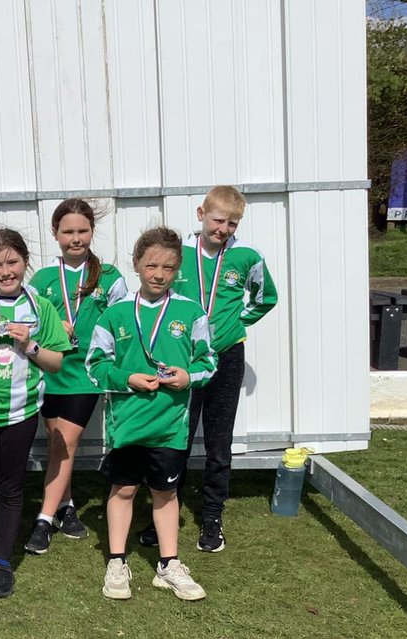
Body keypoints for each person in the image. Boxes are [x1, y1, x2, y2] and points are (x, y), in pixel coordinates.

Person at [137, 185, 279, 552]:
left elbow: (267, 298)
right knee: (175, 440)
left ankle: (212, 517)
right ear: (201, 214)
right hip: (182, 360)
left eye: (232, 223)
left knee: (219, 443)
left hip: (226, 358)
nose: (224, 229)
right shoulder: (179, 253)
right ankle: (165, 512)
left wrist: (236, 324)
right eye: (218, 220)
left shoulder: (247, 256)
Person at [86, 226, 216, 602]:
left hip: (170, 425)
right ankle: (116, 561)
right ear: (137, 264)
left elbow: (209, 361)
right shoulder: (116, 314)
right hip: (126, 424)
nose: (159, 274)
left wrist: (188, 376)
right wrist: (128, 379)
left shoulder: (191, 312)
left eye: (169, 268)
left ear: (178, 271)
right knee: (124, 489)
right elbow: (95, 366)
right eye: (151, 265)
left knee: (165, 491)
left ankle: (168, 564)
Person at [0, 228, 71, 599]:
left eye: (13, 262)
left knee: (11, 488)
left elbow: (56, 362)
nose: (5, 271)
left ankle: (2, 562)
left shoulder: (41, 306)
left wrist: (31, 344)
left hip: (21, 413)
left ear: (25, 261)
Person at [24, 199, 128, 555]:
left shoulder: (110, 277)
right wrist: (52, 327)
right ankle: (67, 509)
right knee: (57, 445)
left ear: (92, 232)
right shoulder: (41, 279)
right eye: (68, 231)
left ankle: (43, 519)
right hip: (50, 370)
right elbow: (29, 322)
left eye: (82, 230)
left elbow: (122, 324)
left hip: (85, 374)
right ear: (55, 234)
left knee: (64, 445)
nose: (76, 238)